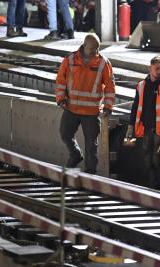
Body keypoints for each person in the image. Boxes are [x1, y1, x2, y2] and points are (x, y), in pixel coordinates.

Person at [55, 34, 115, 173]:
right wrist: (61, 98)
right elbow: (60, 80)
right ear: (84, 46)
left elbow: (110, 87)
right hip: (71, 108)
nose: (96, 51)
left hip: (91, 112)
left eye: (97, 48)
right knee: (65, 134)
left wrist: (108, 106)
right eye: (93, 48)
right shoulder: (70, 60)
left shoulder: (103, 63)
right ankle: (75, 155)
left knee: (91, 145)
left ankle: (90, 173)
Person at [125, 56, 160, 190]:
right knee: (148, 160)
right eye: (157, 69)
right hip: (146, 128)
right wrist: (131, 125)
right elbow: (136, 105)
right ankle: (153, 188)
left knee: (159, 159)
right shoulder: (142, 85)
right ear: (150, 67)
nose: (159, 72)